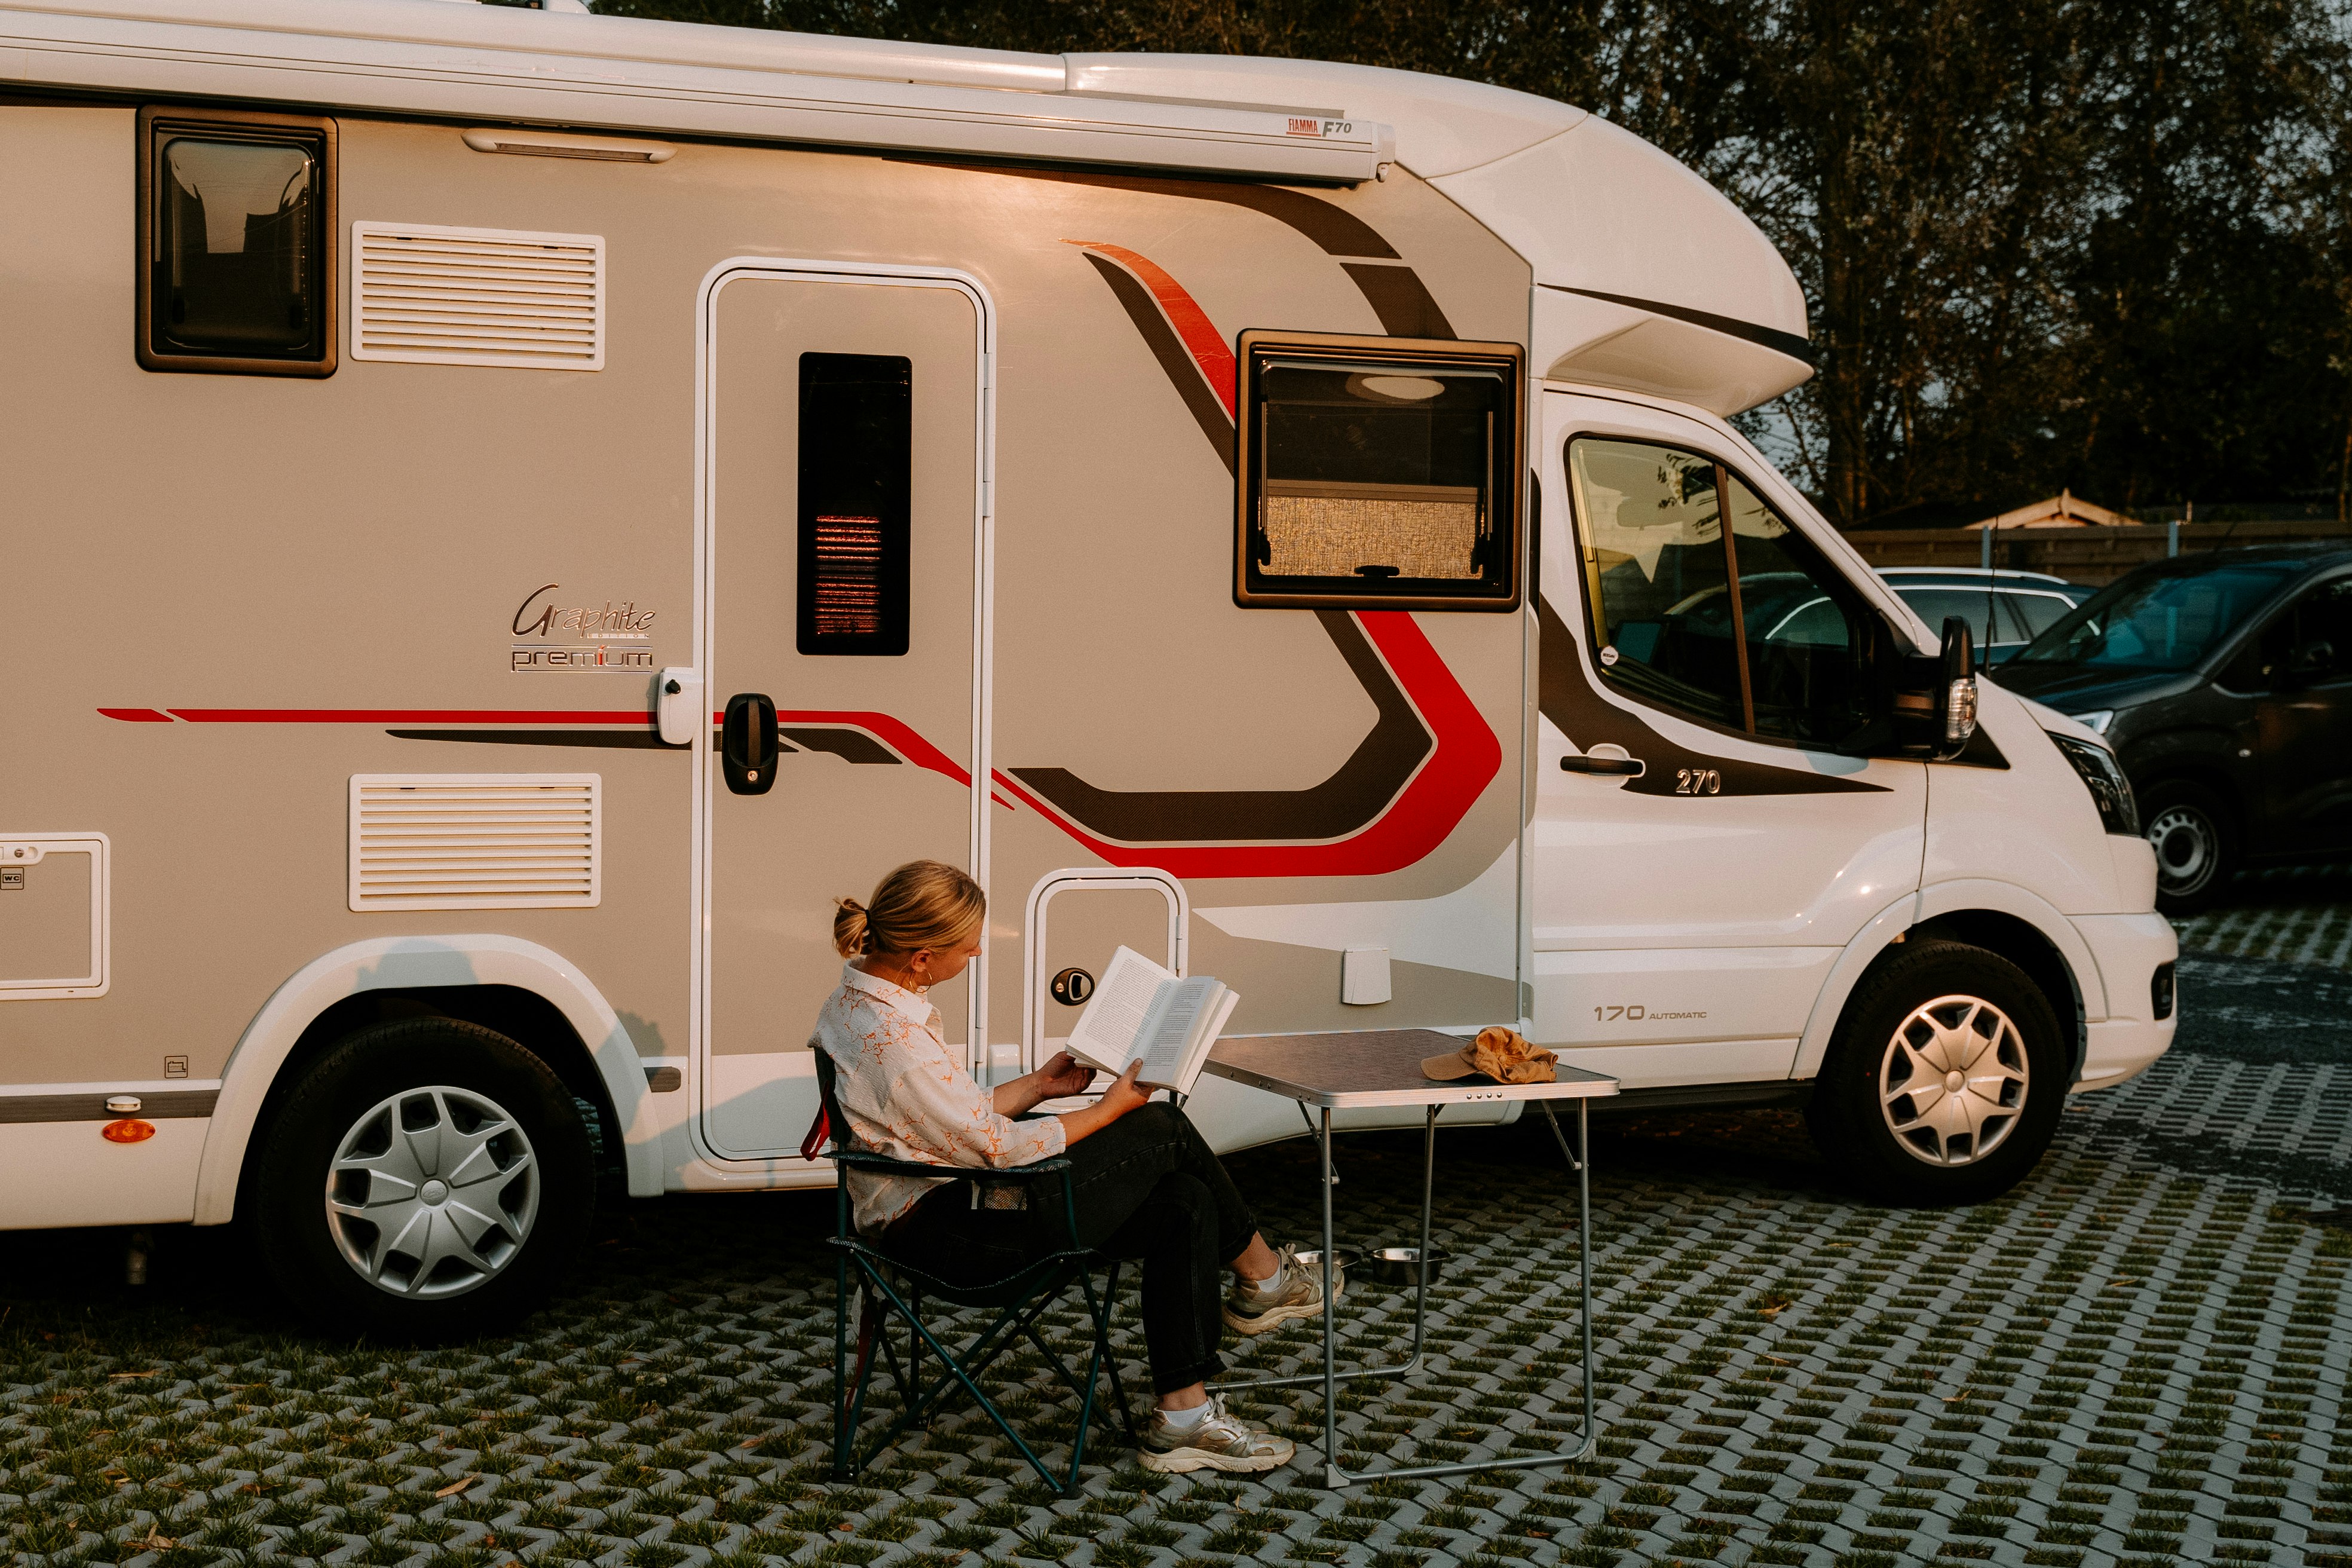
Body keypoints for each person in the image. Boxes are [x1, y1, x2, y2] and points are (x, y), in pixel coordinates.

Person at [810, 858, 1337, 1474]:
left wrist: (1039, 1085)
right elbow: (1000, 1147)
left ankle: (1185, 1416)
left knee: (1183, 1200)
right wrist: (1111, 1107)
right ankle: (1265, 1277)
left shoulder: (861, 999)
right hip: (958, 1239)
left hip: (952, 1207)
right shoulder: (893, 1038)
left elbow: (944, 1121)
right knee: (1161, 1126)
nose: (978, 949)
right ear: (923, 955)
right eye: (966, 943)